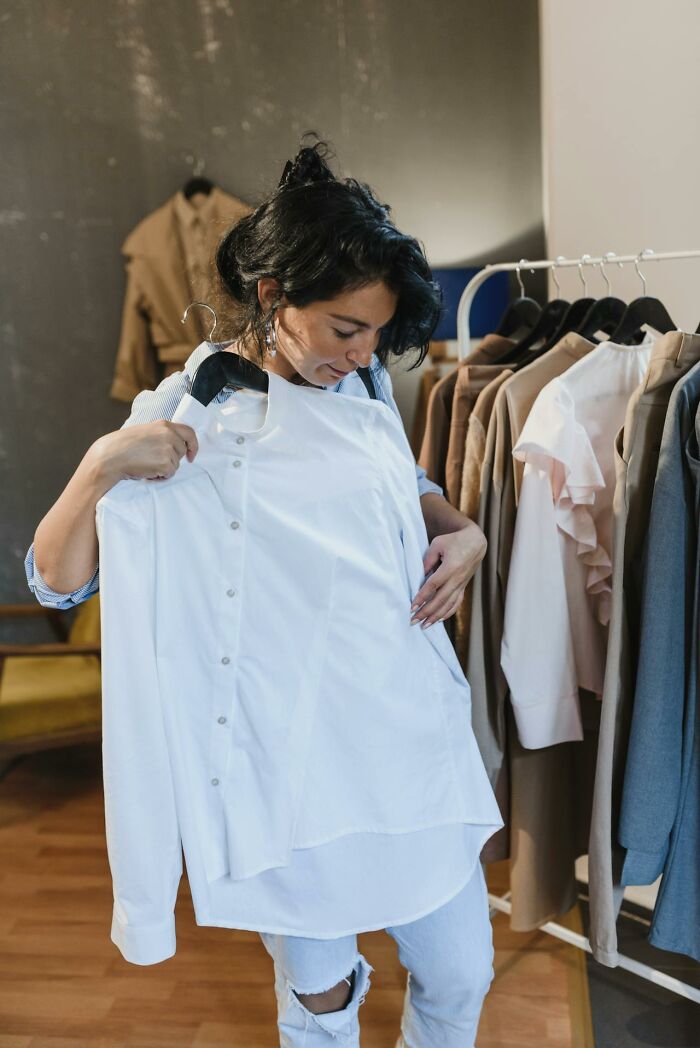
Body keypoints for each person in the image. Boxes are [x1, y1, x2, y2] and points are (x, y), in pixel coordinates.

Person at [25, 134, 495, 1047]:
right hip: (286, 777)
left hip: (403, 746)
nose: (361, 356)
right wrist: (98, 470)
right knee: (319, 1006)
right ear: (275, 297)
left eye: (375, 337)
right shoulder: (181, 413)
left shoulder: (361, 397)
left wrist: (461, 531)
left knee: (461, 972)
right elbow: (54, 583)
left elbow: (405, 490)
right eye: (344, 330)